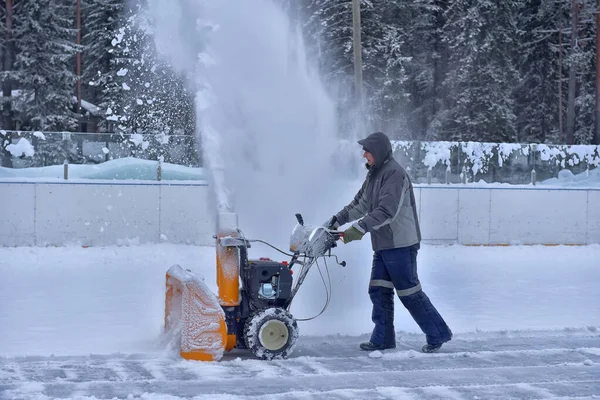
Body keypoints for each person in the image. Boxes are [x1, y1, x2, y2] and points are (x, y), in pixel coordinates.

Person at [324, 131, 452, 353]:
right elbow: (360, 204)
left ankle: (438, 333)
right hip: (384, 245)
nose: (364, 154)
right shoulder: (375, 174)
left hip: (400, 245)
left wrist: (357, 230)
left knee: (409, 293)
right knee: (378, 291)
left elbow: (386, 211)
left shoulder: (394, 174)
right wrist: (336, 221)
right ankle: (383, 339)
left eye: (367, 151)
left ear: (379, 152)